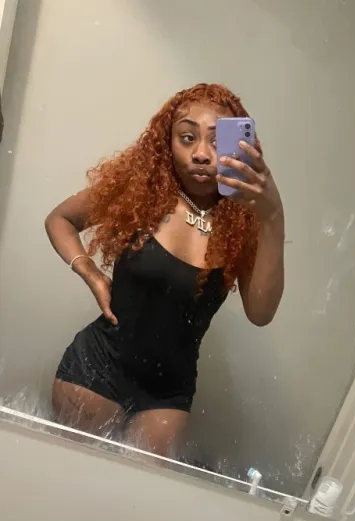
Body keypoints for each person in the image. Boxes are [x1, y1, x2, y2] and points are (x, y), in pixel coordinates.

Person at [45, 83, 284, 457]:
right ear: (167, 142)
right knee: (68, 471)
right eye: (187, 138)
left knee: (141, 489)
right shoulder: (141, 192)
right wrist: (91, 274)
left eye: (217, 142)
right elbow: (60, 220)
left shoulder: (242, 224)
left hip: (168, 392)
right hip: (99, 367)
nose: (201, 154)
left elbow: (261, 313)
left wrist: (273, 216)